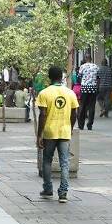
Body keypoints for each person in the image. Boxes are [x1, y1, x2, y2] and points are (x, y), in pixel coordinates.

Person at [36, 66, 79, 202]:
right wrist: (70, 128)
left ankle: (48, 189)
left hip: (49, 132)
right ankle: (63, 193)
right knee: (64, 163)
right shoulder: (70, 93)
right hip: (65, 132)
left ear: (49, 77)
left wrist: (39, 135)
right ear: (62, 77)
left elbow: (42, 115)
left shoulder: (44, 93)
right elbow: (74, 114)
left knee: (47, 161)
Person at [77, 54, 99, 130]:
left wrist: (83, 82)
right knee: (92, 106)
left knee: (82, 106)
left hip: (84, 88)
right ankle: (90, 124)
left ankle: (81, 124)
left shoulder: (82, 67)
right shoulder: (96, 66)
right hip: (93, 88)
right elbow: (98, 78)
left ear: (85, 59)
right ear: (91, 59)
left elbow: (79, 78)